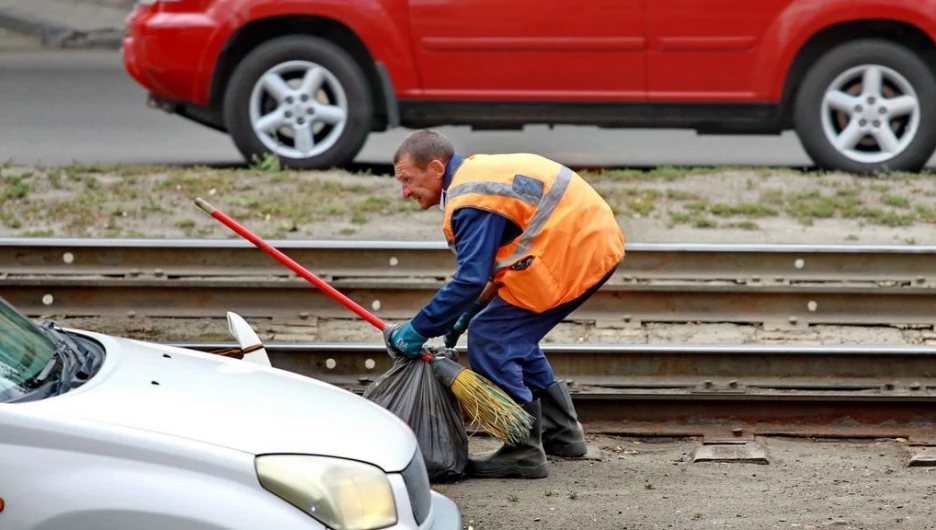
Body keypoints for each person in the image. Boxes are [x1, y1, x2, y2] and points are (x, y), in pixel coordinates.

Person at [383, 129, 625, 480]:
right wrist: (468, 310)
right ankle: (562, 433)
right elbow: (503, 258)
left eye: (407, 179)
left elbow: (469, 278)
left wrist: (418, 329)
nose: (404, 192)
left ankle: (523, 450)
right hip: (585, 244)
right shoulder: (476, 177)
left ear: (436, 167)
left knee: (493, 337)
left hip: (574, 253)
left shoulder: (470, 201)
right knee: (509, 334)